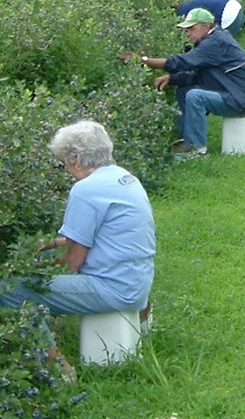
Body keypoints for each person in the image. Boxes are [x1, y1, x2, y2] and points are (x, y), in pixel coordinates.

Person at [0, 121, 155, 336]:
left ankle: (55, 366)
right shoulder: (124, 177)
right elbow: (96, 237)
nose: (65, 167)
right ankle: (143, 323)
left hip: (113, 289)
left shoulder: (86, 189)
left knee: (10, 290)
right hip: (136, 280)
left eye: (64, 160)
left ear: (76, 158)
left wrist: (31, 264)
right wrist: (50, 245)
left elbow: (73, 263)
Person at [136, 7, 245, 160]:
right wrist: (172, 78)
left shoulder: (214, 43)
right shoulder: (214, 39)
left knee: (195, 96)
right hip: (233, 92)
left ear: (206, 26)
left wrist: (144, 60)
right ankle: (187, 140)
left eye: (191, 28)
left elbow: (182, 62)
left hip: (240, 99)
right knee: (184, 91)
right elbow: (198, 75)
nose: (188, 34)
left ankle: (197, 149)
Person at [175, 0, 245, 34]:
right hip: (235, 6)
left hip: (226, 14)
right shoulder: (189, 4)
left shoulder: (181, 13)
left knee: (220, 45)